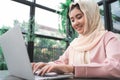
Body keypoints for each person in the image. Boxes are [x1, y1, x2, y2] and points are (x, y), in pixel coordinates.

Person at [32, 0, 120, 78]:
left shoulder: (109, 38)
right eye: (72, 20)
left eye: (79, 17)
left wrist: (73, 68)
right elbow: (61, 62)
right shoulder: (75, 44)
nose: (75, 24)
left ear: (91, 15)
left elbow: (115, 67)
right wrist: (45, 65)